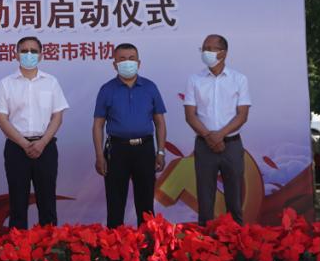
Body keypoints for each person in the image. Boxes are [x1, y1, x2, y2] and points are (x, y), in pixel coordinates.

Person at [0, 36, 68, 229]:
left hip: (46, 147)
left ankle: (49, 244)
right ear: (16, 55)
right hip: (17, 148)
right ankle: (18, 246)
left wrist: (42, 143)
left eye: (34, 51)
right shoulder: (6, 84)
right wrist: (25, 144)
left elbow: (57, 117)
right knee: (17, 201)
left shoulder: (51, 82)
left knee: (47, 200)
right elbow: (2, 120)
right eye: (24, 51)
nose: (29, 54)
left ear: (41, 55)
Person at [92, 43, 167, 228]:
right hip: (117, 150)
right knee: (115, 202)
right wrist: (100, 156)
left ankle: (147, 241)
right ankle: (114, 243)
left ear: (139, 63)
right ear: (114, 64)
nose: (127, 62)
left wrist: (160, 152)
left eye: (131, 58)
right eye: (122, 59)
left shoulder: (150, 87)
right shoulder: (107, 89)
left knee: (146, 203)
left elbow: (159, 122)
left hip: (145, 149)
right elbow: (98, 125)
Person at [183, 34, 251, 225]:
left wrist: (220, 135)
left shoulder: (239, 79)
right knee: (205, 200)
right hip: (204, 145)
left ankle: (236, 238)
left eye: (210, 48)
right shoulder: (194, 80)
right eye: (203, 48)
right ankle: (205, 239)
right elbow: (190, 115)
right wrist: (209, 136)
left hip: (232, 145)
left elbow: (242, 115)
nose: (205, 52)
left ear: (223, 53)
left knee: (235, 198)